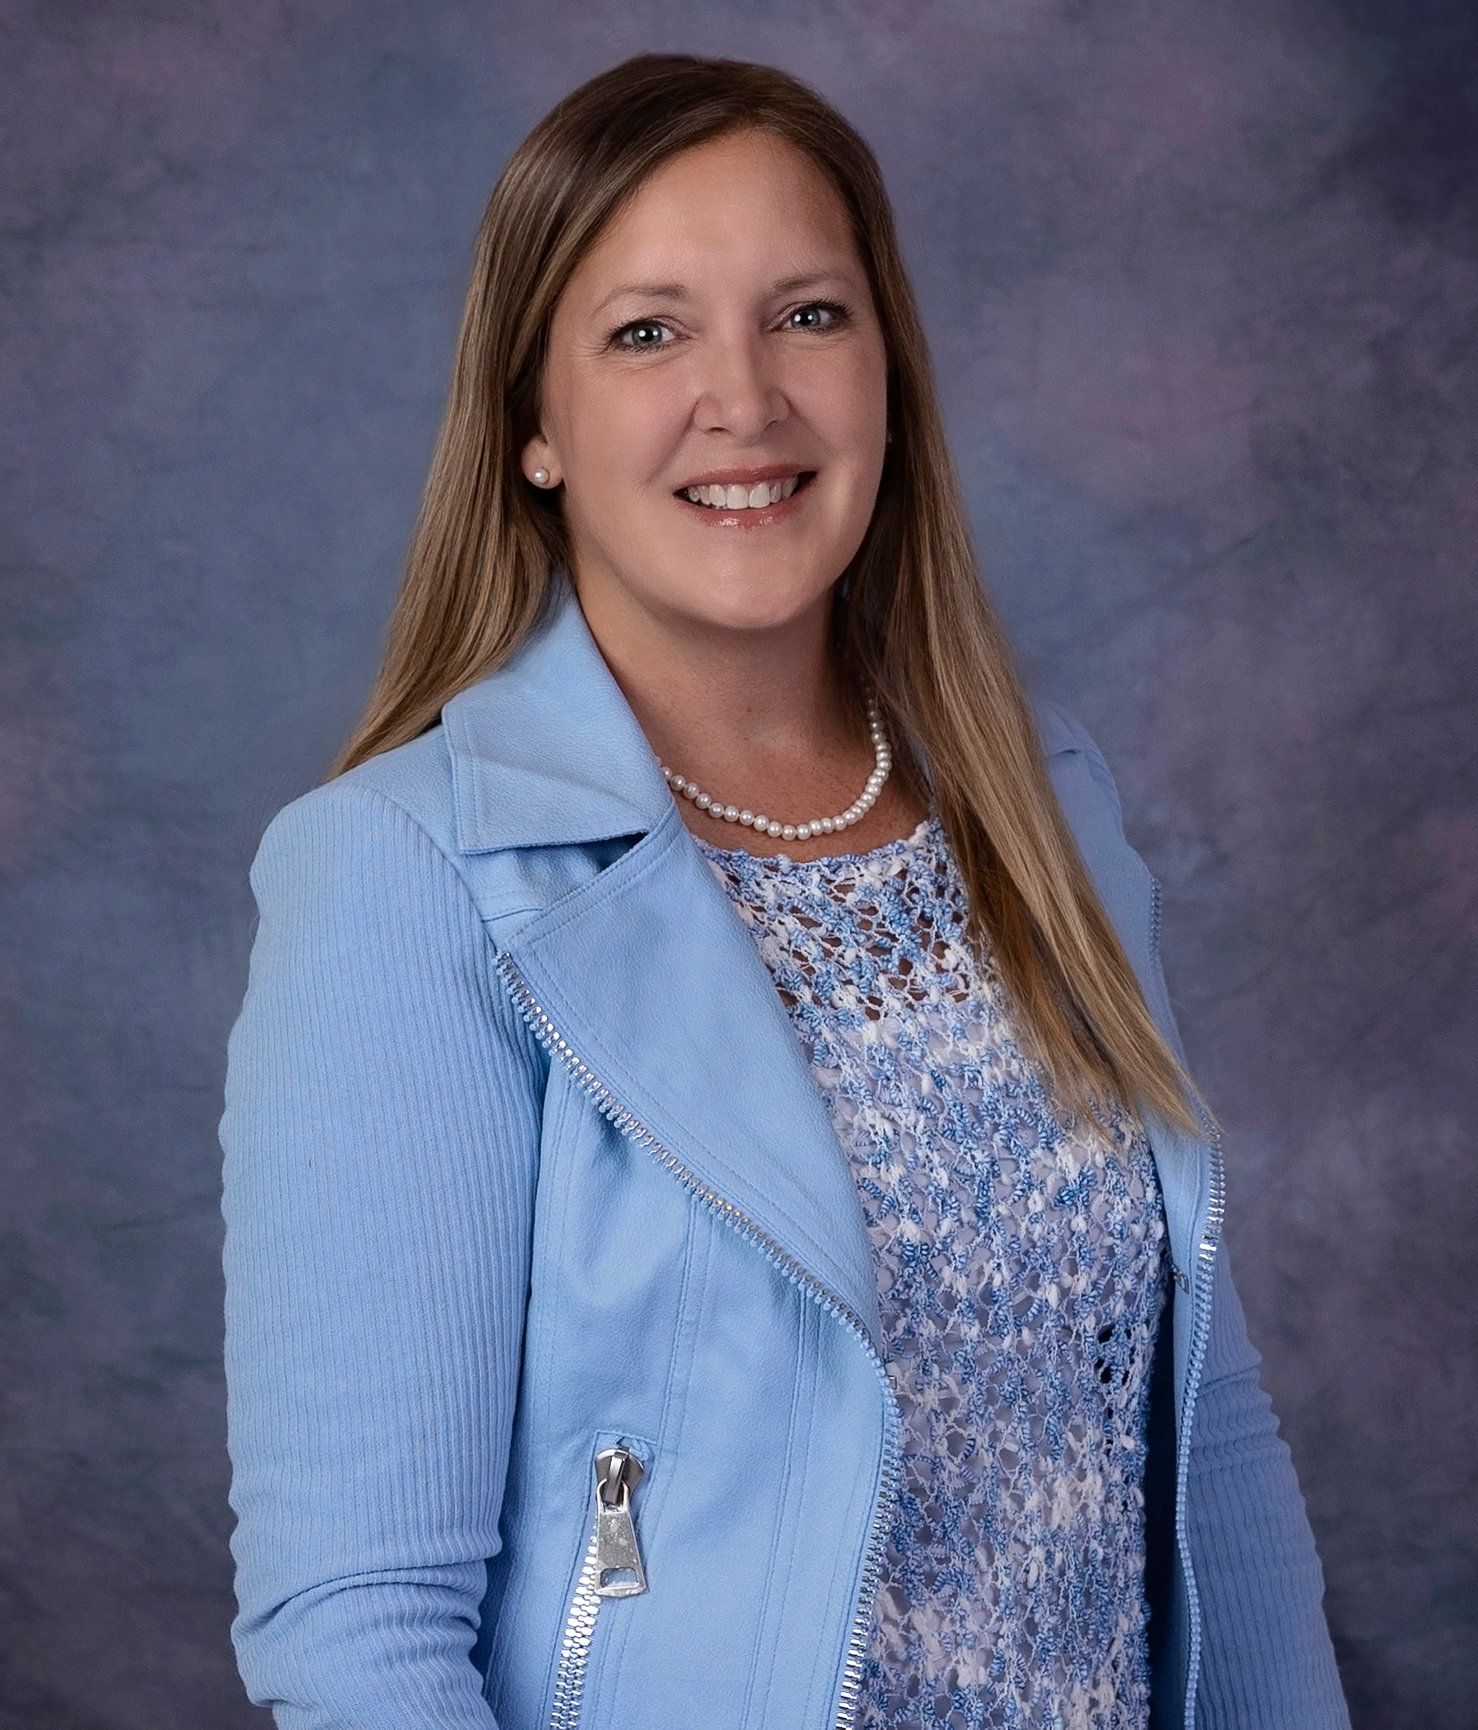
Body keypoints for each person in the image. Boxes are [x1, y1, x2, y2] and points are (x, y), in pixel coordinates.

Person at [218, 51, 1351, 1730]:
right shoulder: (401, 875)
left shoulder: (1042, 808)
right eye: (647, 332)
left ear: (888, 368)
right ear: (531, 424)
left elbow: (1205, 1436)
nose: (742, 400)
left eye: (807, 315)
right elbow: (359, 1624)